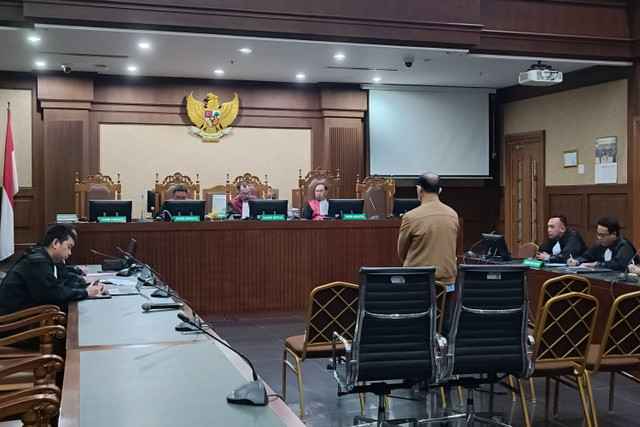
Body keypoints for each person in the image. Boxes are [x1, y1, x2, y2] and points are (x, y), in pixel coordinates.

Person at [397, 173, 459, 332]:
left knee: (417, 324)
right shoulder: (453, 214)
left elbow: (402, 251)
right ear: (440, 190)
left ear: (419, 190)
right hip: (446, 281)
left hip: (418, 280)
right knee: (443, 322)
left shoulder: (411, 217)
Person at [0, 223, 106, 315]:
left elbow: (58, 285)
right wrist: (86, 292)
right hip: (13, 323)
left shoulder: (44, 258)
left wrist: (89, 287)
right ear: (55, 243)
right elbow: (54, 294)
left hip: (25, 315)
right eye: (69, 247)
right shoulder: (37, 261)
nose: (70, 253)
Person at [567, 217, 636, 271]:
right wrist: (576, 261)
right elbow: (587, 256)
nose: (599, 238)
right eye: (598, 234)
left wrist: (596, 264)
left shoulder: (624, 246)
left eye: (602, 235)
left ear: (614, 234)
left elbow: (619, 264)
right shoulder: (601, 245)